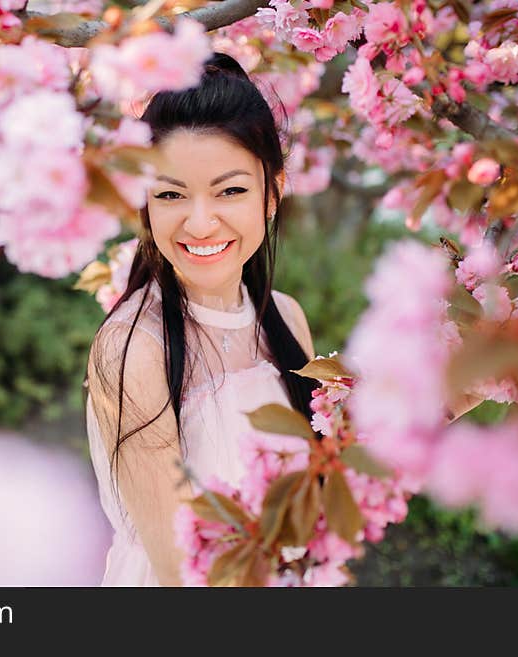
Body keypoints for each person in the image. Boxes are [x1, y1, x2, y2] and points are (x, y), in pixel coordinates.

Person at [84, 52, 321, 587]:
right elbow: (184, 571)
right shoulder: (134, 352)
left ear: (272, 193)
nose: (199, 222)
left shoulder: (286, 319)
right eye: (170, 194)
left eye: (230, 190)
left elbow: (321, 485)